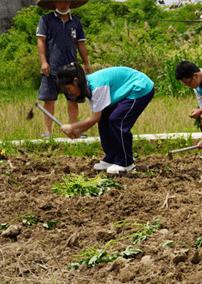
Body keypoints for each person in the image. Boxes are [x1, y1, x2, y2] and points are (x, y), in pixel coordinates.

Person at [57, 63, 155, 174]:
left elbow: (94, 118)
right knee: (105, 118)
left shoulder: (97, 87)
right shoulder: (88, 87)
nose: (69, 93)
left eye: (68, 88)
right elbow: (99, 117)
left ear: (76, 81)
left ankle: (126, 163)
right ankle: (112, 157)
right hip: (126, 90)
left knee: (117, 120)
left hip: (140, 88)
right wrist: (78, 131)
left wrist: (72, 127)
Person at [36, 0, 91, 138]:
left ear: (70, 3)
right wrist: (43, 62)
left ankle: (74, 130)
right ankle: (48, 132)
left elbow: (81, 43)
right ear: (54, 3)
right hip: (51, 66)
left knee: (73, 99)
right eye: (60, 1)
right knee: (49, 99)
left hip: (71, 68)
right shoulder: (46, 20)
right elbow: (41, 41)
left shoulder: (76, 22)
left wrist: (86, 63)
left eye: (66, 0)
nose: (63, 4)